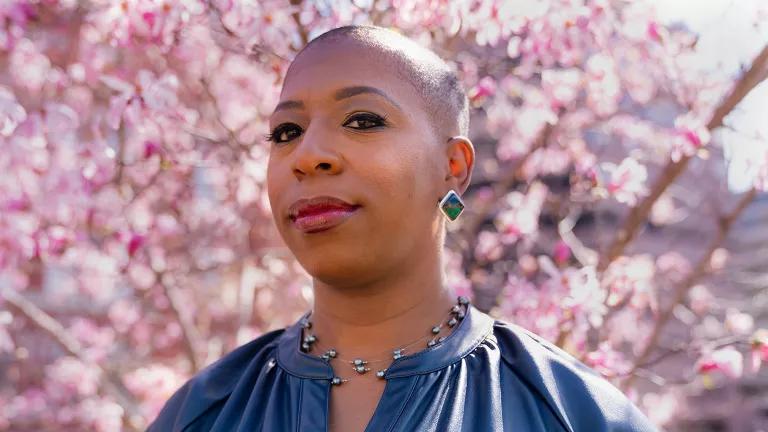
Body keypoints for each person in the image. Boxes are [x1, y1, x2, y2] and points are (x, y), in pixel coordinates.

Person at [148, 24, 657, 432]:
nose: (308, 156)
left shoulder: (572, 412)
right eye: (287, 132)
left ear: (452, 167)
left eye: (362, 120)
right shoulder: (204, 413)